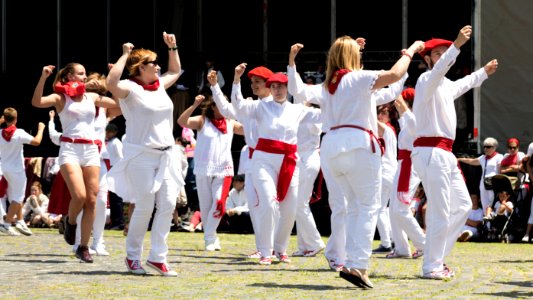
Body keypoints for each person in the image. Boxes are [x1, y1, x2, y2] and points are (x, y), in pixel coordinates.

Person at [287, 37, 424, 288]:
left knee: (350, 208)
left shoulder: (327, 85)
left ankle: (346, 259)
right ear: (352, 58)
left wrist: (291, 64)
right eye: (358, 55)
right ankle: (358, 265)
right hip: (358, 143)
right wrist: (412, 51)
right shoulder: (357, 79)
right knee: (368, 207)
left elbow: (297, 90)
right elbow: (395, 74)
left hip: (329, 147)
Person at [411, 25, 498, 280]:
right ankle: (432, 266)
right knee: (440, 209)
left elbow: (464, 83)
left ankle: (434, 256)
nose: (441, 57)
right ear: (427, 60)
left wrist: (483, 72)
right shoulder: (426, 80)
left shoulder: (445, 85)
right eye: (436, 54)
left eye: (443, 53)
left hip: (444, 153)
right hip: (431, 151)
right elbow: (439, 70)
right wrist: (456, 45)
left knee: (461, 205)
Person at [106, 32, 184, 276]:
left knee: (168, 204)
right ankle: (132, 257)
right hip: (141, 155)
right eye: (153, 63)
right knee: (145, 205)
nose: (158, 66)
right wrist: (125, 55)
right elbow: (111, 83)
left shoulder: (159, 84)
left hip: (166, 155)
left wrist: (173, 48)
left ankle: (158, 257)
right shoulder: (129, 88)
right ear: (140, 67)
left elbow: (175, 71)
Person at [231, 67, 321, 265]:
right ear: (270, 89)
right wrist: (236, 80)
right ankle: (265, 250)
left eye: (281, 86)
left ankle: (280, 249)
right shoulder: (260, 107)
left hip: (289, 162)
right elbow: (237, 106)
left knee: (289, 209)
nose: (278, 90)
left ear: (288, 89)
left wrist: (346, 102)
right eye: (274, 86)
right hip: (264, 160)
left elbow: (323, 115)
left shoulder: (297, 109)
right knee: (269, 203)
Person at [31, 62, 118, 262]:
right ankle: (70, 223)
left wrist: (112, 80)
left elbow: (119, 105)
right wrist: (43, 77)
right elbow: (36, 102)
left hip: (91, 150)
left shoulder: (92, 97)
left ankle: (84, 246)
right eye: (80, 73)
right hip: (69, 148)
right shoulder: (60, 97)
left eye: (85, 73)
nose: (84, 76)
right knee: (79, 196)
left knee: (92, 199)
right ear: (69, 76)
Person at [208, 65, 274, 259]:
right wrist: (215, 87)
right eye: (252, 82)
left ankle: (276, 247)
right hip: (253, 158)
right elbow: (228, 109)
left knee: (271, 205)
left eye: (258, 82)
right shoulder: (250, 105)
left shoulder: (275, 104)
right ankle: (264, 248)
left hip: (272, 158)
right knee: (255, 205)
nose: (253, 86)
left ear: (269, 85)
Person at [177, 88, 242, 251]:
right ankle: (211, 238)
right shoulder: (202, 120)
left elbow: (250, 130)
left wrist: (246, 110)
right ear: (213, 106)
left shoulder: (231, 122)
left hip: (224, 169)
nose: (222, 107)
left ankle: (209, 235)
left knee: (220, 201)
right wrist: (194, 105)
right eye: (219, 104)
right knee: (206, 207)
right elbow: (181, 121)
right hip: (203, 169)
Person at [386, 88, 425, 259]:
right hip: (403, 164)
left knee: (400, 208)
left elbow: (415, 130)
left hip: (409, 164)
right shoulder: (408, 118)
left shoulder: (417, 118)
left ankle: (423, 244)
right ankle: (401, 248)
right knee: (393, 208)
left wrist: (404, 109)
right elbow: (406, 125)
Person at [0, 109, 45, 236]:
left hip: (5, 169)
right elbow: (37, 142)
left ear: (5, 118)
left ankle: (20, 221)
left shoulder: (0, 133)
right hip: (17, 170)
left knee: (15, 196)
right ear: (16, 119)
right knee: (18, 198)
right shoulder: (19, 133)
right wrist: (41, 129)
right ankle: (7, 224)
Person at [292, 102, 325, 258]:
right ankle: (304, 245)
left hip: (310, 159)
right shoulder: (296, 112)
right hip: (299, 159)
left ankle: (315, 242)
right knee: (296, 204)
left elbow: (316, 128)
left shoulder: (315, 113)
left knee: (300, 204)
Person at [457, 137, 503, 216]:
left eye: (488, 147)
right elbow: (471, 161)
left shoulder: (499, 157)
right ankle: (486, 223)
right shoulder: (483, 157)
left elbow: (501, 170)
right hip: (483, 182)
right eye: (484, 146)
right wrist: (459, 159)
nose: (485, 149)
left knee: (492, 202)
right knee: (484, 202)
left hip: (493, 183)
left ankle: (492, 223)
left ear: (494, 147)